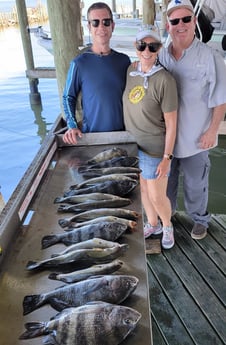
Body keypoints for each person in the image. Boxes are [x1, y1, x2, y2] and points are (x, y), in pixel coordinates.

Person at [159, 0, 226, 240]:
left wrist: (212, 131)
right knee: (166, 185)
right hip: (167, 140)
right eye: (175, 21)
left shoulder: (211, 56)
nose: (181, 25)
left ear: (194, 21)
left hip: (197, 138)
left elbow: (220, 100)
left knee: (196, 186)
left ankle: (200, 219)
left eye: (186, 19)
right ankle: (168, 218)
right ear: (168, 26)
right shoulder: (161, 56)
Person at [123, 25, 178, 249]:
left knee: (157, 195)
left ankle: (167, 225)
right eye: (142, 45)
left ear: (159, 48)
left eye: (152, 46)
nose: (147, 50)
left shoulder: (165, 80)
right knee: (143, 189)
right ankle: (152, 223)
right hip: (133, 147)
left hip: (155, 149)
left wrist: (167, 157)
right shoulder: (130, 70)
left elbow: (173, 124)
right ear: (135, 47)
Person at [62, 2, 130, 144]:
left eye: (106, 22)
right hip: (91, 139)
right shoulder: (79, 64)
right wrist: (72, 125)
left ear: (113, 25)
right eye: (95, 22)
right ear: (89, 27)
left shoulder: (124, 61)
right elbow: (68, 97)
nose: (101, 27)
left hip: (123, 137)